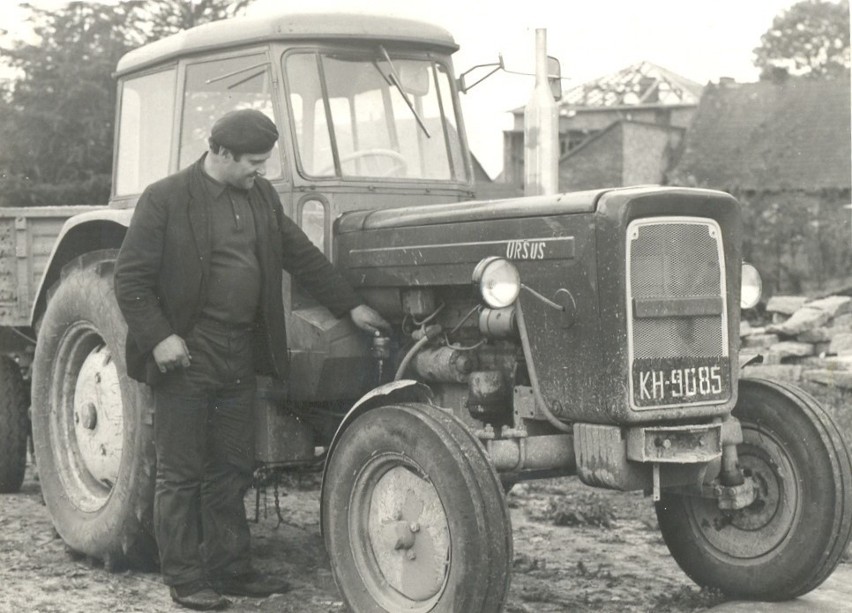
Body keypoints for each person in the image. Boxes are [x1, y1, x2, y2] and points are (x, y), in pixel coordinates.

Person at [114, 109, 388, 611]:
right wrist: (159, 339)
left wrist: (350, 305)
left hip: (239, 352)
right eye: (254, 162)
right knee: (182, 471)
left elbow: (300, 255)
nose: (260, 170)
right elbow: (129, 281)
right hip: (186, 354)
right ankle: (185, 578)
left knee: (233, 467)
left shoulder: (260, 196)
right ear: (220, 153)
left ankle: (231, 569)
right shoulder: (166, 198)